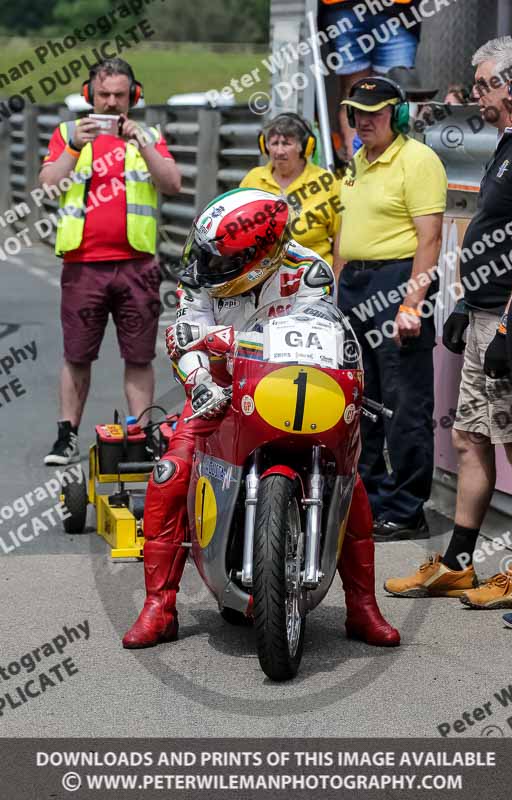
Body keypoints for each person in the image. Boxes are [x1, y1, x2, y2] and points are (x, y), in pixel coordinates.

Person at [122, 188, 400, 650]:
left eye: (219, 262)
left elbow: (318, 334)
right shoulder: (200, 275)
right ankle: (160, 607)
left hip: (289, 385)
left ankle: (362, 608)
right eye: (205, 257)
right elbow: (183, 337)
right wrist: (200, 385)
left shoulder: (309, 272)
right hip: (217, 389)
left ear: (262, 255)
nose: (205, 270)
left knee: (349, 481)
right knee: (169, 473)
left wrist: (218, 335)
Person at [385, 37, 512, 614]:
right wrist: (466, 307)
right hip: (483, 312)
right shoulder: (506, 142)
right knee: (469, 437)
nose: (475, 96)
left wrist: (504, 329)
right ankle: (458, 561)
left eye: (483, 86)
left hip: (507, 319)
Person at [41, 58, 182, 465]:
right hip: (83, 264)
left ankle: (141, 433)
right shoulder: (69, 134)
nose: (111, 103)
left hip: (137, 266)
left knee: (139, 355)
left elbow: (172, 183)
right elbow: (48, 186)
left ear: (133, 97)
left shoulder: (148, 135)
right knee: (77, 353)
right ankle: (66, 436)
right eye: (103, 95)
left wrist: (144, 143)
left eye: (120, 95)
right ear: (89, 95)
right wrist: (74, 148)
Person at [335, 76, 447, 541]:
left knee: (404, 401)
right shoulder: (356, 161)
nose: (364, 121)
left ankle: (406, 508)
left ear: (397, 116)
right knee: (363, 400)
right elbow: (346, 233)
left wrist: (411, 303)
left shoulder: (418, 161)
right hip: (356, 282)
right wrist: (334, 289)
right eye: (358, 113)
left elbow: (430, 238)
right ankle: (371, 499)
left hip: (398, 280)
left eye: (375, 113)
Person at [320, 0, 423, 158]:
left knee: (400, 95)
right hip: (343, 7)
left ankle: (399, 167)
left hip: (398, 8)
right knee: (355, 95)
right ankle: (357, 169)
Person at [240, 113, 341, 265]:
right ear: (265, 146)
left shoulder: (326, 183)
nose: (279, 151)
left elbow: (342, 237)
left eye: (286, 144)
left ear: (304, 147)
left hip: (312, 278)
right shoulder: (253, 179)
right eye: (274, 143)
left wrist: (337, 281)